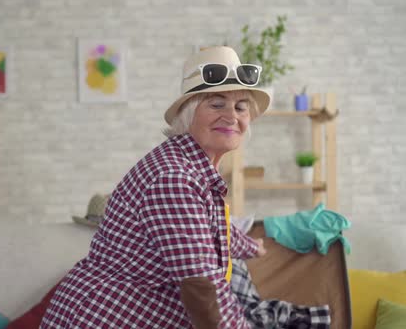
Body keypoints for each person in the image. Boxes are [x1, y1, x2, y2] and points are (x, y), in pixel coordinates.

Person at [41, 46, 271, 329]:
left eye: (240, 107)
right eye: (216, 103)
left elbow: (210, 229)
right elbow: (204, 288)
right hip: (103, 319)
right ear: (189, 112)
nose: (231, 116)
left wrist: (250, 246)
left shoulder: (194, 169)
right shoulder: (174, 179)